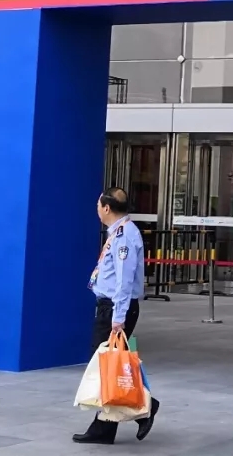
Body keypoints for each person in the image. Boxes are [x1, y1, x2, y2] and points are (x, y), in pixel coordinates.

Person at [74, 188, 161, 445]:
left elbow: (124, 281)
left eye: (98, 205)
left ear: (107, 208)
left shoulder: (124, 236)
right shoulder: (119, 233)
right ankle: (104, 428)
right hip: (111, 306)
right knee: (109, 366)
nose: (97, 210)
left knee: (106, 365)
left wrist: (118, 317)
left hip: (115, 307)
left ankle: (146, 407)